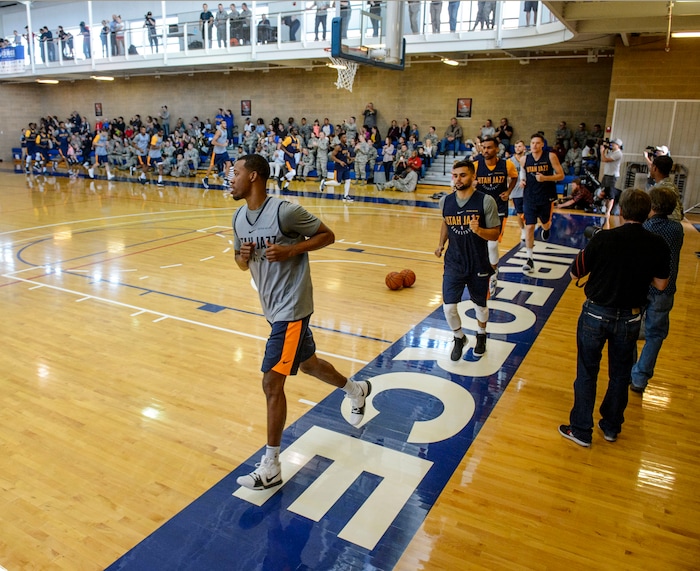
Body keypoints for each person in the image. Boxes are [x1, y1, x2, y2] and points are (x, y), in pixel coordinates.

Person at [229, 154, 371, 491]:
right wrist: (243, 257)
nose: (229, 178)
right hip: (273, 308)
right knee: (308, 365)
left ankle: (272, 465)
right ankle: (356, 391)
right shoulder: (238, 217)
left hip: (293, 307)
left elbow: (328, 235)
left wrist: (292, 251)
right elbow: (238, 263)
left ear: (253, 176)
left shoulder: (284, 212)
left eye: (234, 172)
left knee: (271, 383)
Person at [559, 188, 671, 447]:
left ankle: (581, 430)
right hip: (630, 318)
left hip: (595, 314)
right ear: (648, 213)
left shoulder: (603, 239)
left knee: (587, 371)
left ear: (621, 210)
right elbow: (661, 284)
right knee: (620, 375)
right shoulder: (657, 244)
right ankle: (610, 427)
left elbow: (575, 273)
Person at [435, 160, 501, 361]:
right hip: (454, 262)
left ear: (473, 177)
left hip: (478, 262)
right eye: (455, 175)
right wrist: (440, 244)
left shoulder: (486, 201)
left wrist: (479, 230)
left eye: (462, 175)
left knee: (480, 306)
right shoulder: (445, 201)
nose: (458, 179)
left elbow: (495, 234)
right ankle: (459, 337)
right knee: (448, 307)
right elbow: (446, 223)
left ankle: (481, 334)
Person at [630, 186, 684, 393]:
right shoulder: (677, 229)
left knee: (632, 329)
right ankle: (640, 378)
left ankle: (628, 371)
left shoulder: (645, 228)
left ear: (651, 206)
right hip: (665, 289)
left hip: (641, 286)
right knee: (656, 335)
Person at [472, 136, 518, 296]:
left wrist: (509, 191)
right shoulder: (476, 166)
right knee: (479, 244)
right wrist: (473, 185)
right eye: (483, 147)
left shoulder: (507, 164)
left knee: (492, 244)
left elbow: (515, 177)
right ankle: (481, 271)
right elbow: (468, 182)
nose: (486, 150)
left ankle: (493, 274)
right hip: (480, 208)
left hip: (499, 207)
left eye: (489, 147)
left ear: (497, 149)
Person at [520, 133, 565, 273]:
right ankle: (529, 259)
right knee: (529, 227)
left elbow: (561, 175)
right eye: (532, 143)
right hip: (529, 197)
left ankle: (546, 229)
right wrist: (522, 180)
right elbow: (523, 172)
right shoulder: (524, 159)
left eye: (537, 143)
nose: (534, 145)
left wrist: (545, 178)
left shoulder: (550, 156)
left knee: (545, 223)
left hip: (546, 196)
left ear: (542, 145)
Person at [320, 132, 355, 201]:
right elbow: (332, 156)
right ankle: (324, 183)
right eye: (344, 137)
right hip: (338, 166)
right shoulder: (338, 147)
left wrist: (350, 158)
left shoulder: (346, 146)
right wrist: (340, 162)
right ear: (340, 139)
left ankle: (346, 196)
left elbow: (345, 155)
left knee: (348, 180)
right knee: (337, 183)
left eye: (346, 137)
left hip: (345, 166)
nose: (346, 138)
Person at [647, 154, 682, 221]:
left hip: (662, 225)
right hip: (676, 225)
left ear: (655, 168)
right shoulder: (674, 187)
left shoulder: (657, 190)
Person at [202, 119, 231, 189]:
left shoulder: (226, 130)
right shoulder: (219, 132)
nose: (225, 125)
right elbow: (213, 142)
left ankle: (226, 180)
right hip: (217, 152)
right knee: (212, 166)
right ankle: (205, 178)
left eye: (225, 123)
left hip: (223, 151)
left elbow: (224, 140)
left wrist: (226, 141)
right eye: (223, 124)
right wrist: (222, 144)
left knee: (229, 164)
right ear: (221, 125)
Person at [508, 140, 527, 245]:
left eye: (519, 146)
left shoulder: (528, 159)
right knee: (519, 213)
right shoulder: (510, 161)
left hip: (528, 190)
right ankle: (523, 230)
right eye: (516, 147)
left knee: (529, 211)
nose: (517, 148)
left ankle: (529, 227)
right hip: (516, 190)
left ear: (524, 148)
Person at [599, 138, 623, 216]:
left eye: (613, 144)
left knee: (610, 194)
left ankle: (609, 211)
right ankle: (604, 208)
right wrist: (605, 150)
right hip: (607, 174)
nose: (611, 145)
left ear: (618, 145)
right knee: (603, 192)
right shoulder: (612, 152)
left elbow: (604, 159)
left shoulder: (618, 153)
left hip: (612, 176)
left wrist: (602, 151)